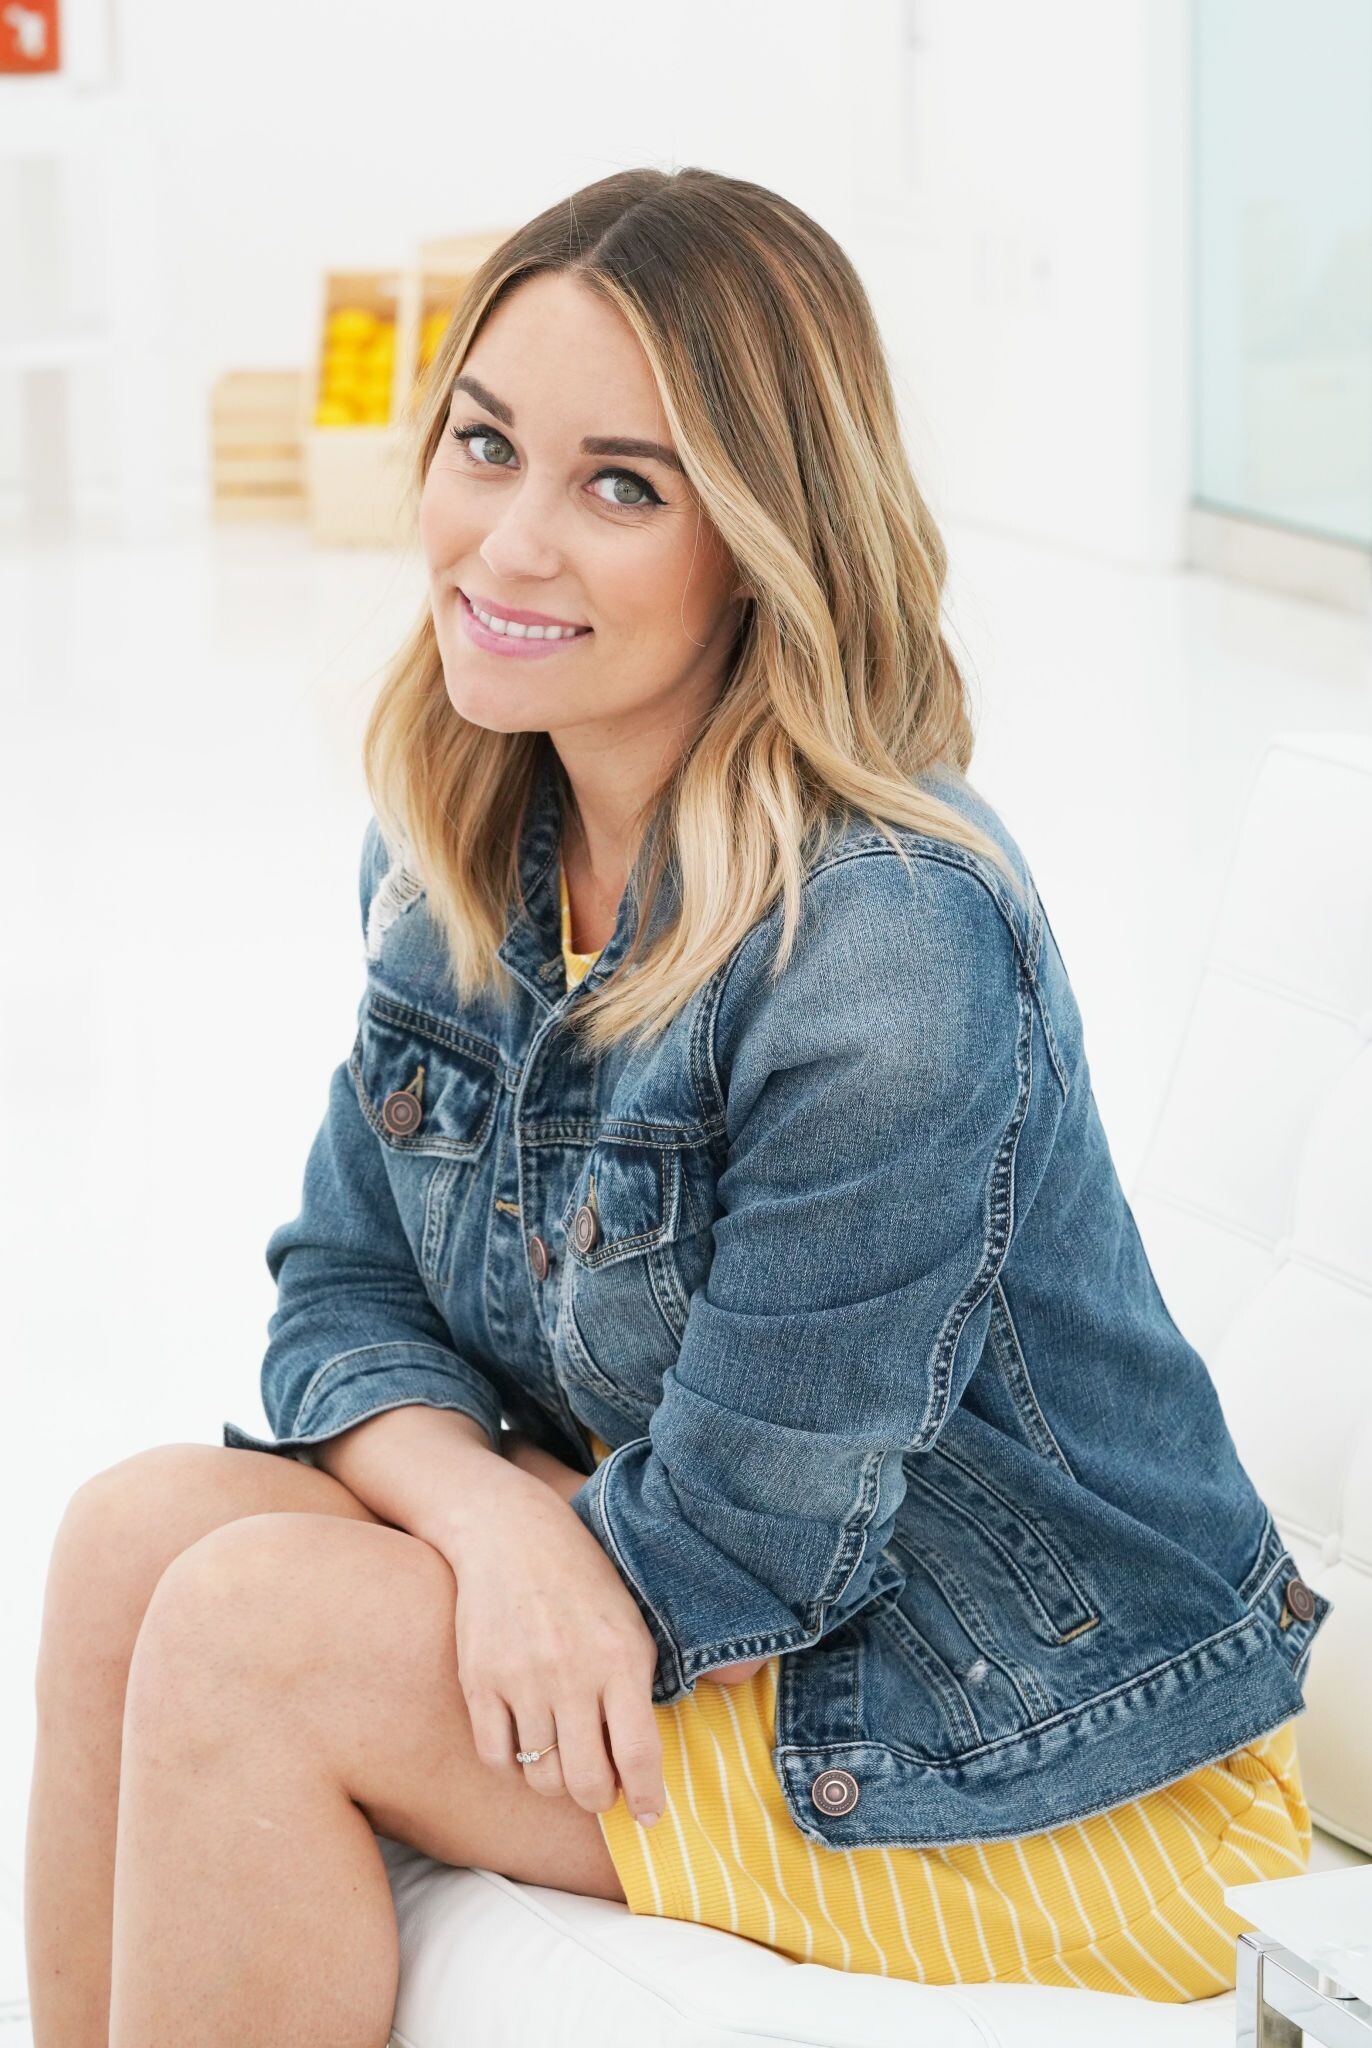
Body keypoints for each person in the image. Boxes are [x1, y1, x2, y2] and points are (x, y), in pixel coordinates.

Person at [27, 166, 1329, 2042]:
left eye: (622, 486)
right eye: (486, 445)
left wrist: (511, 1522)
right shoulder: (466, 832)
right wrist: (492, 1526)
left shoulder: (886, 933)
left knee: (251, 1640)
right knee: (126, 1539)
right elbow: (343, 1295)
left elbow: (740, 1547)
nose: (508, 544)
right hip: (728, 1612)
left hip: (1033, 1749)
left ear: (767, 542)